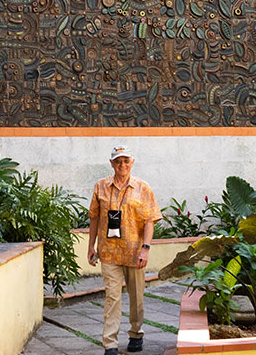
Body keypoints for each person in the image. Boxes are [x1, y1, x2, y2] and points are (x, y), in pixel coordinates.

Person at [88, 146, 162, 354]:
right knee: (112, 297)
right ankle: (110, 344)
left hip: (134, 252)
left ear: (132, 162)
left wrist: (145, 249)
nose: (122, 165)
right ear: (111, 163)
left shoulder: (143, 188)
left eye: (126, 161)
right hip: (109, 251)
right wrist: (91, 247)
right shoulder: (101, 186)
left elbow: (150, 220)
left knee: (136, 296)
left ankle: (136, 333)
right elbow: (94, 217)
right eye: (118, 161)